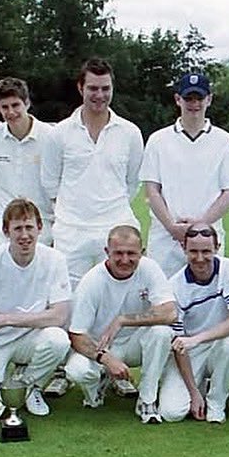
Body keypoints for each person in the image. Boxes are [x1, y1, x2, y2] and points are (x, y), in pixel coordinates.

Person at [0, 199, 72, 424]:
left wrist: (5, 319)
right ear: (5, 231)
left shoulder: (55, 259)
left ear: (40, 228)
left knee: (59, 340)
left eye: (29, 227)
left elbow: (60, 315)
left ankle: (30, 385)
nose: (24, 235)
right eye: (18, 228)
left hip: (30, 338)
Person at [41, 57, 145, 290]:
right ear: (81, 88)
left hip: (116, 227)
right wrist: (76, 211)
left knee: (117, 298)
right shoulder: (59, 133)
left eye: (106, 88)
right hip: (71, 231)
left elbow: (132, 183)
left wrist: (106, 208)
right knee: (68, 300)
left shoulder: (130, 133)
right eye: (93, 88)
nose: (100, 95)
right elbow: (50, 183)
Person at [66, 225, 176, 423]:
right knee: (77, 370)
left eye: (131, 253)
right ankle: (98, 384)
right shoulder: (92, 281)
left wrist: (123, 320)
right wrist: (106, 359)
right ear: (107, 252)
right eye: (118, 253)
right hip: (101, 346)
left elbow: (169, 312)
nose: (125, 260)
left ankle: (147, 400)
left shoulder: (149, 268)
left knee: (162, 332)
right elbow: (77, 335)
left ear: (142, 253)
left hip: (135, 343)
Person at [141, 72, 229, 277]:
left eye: (199, 98)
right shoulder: (158, 140)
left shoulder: (224, 141)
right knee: (165, 301)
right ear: (178, 99)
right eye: (188, 98)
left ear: (209, 99)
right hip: (165, 240)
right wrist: (172, 226)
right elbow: (152, 190)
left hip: (207, 238)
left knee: (208, 300)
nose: (194, 104)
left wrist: (199, 226)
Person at [157, 224, 229, 423]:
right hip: (189, 353)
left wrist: (196, 339)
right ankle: (201, 389)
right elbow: (180, 346)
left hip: (220, 343)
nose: (199, 258)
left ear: (217, 247)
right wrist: (194, 393)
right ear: (184, 249)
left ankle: (216, 403)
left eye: (206, 251)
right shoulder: (174, 286)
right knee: (171, 413)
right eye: (193, 251)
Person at [0, 77, 55, 249]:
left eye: (15, 105)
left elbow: (58, 188)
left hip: (42, 226)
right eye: (5, 107)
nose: (10, 112)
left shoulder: (51, 137)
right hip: (0, 227)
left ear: (27, 103)